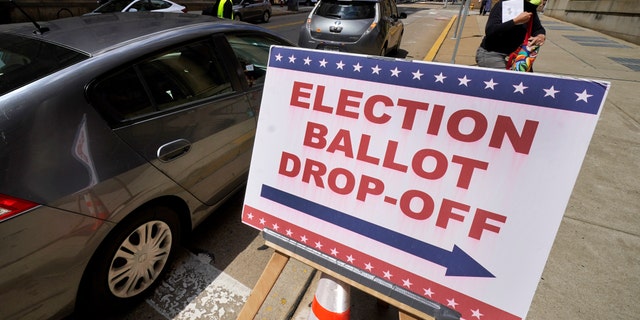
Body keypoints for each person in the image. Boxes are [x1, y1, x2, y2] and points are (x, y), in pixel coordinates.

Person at [475, 0, 546, 70]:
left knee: (524, 80)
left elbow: (538, 28)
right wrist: (515, 21)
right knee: (507, 79)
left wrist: (540, 35)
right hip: (492, 53)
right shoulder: (501, 5)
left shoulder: (529, 7)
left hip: (518, 55)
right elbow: (490, 31)